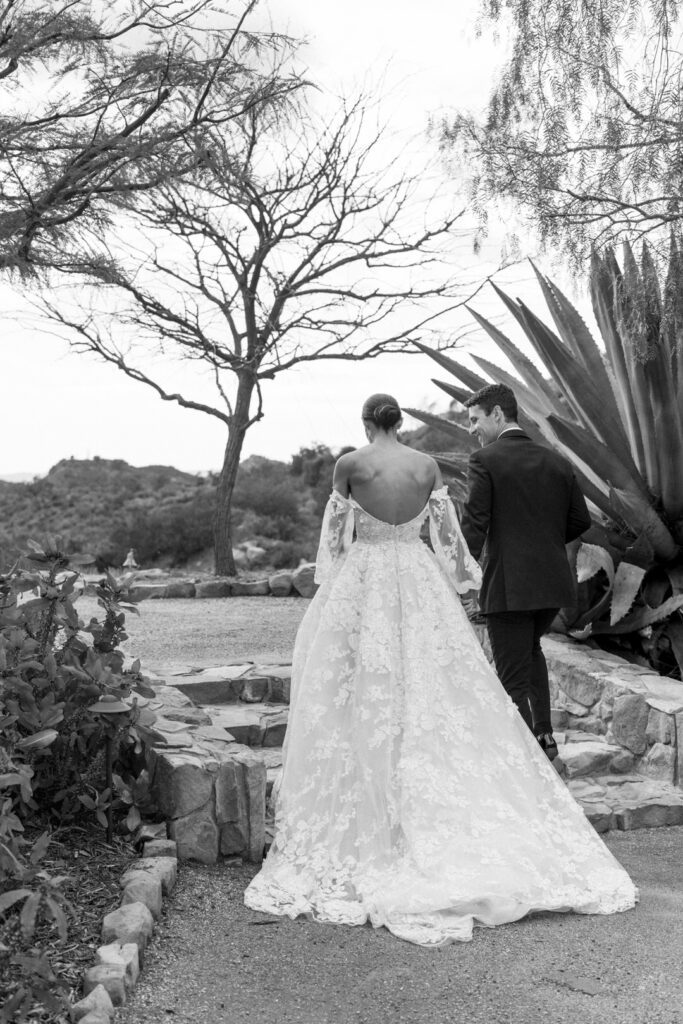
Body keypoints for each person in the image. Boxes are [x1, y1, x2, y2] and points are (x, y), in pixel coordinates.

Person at [244, 393, 636, 946]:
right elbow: (449, 538)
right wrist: (462, 580)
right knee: (439, 675)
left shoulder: (349, 465)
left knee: (361, 676)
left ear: (365, 422)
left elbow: (334, 541)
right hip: (418, 574)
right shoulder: (427, 466)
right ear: (401, 422)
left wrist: (332, 578)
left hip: (366, 578)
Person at [461, 383, 591, 760]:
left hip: (509, 585)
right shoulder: (556, 460)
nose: (472, 429)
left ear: (498, 415)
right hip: (551, 584)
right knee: (531, 652)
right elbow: (579, 519)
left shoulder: (485, 460)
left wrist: (463, 575)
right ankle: (545, 737)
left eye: (475, 419)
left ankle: (516, 762)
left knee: (510, 677)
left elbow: (475, 524)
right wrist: (544, 541)